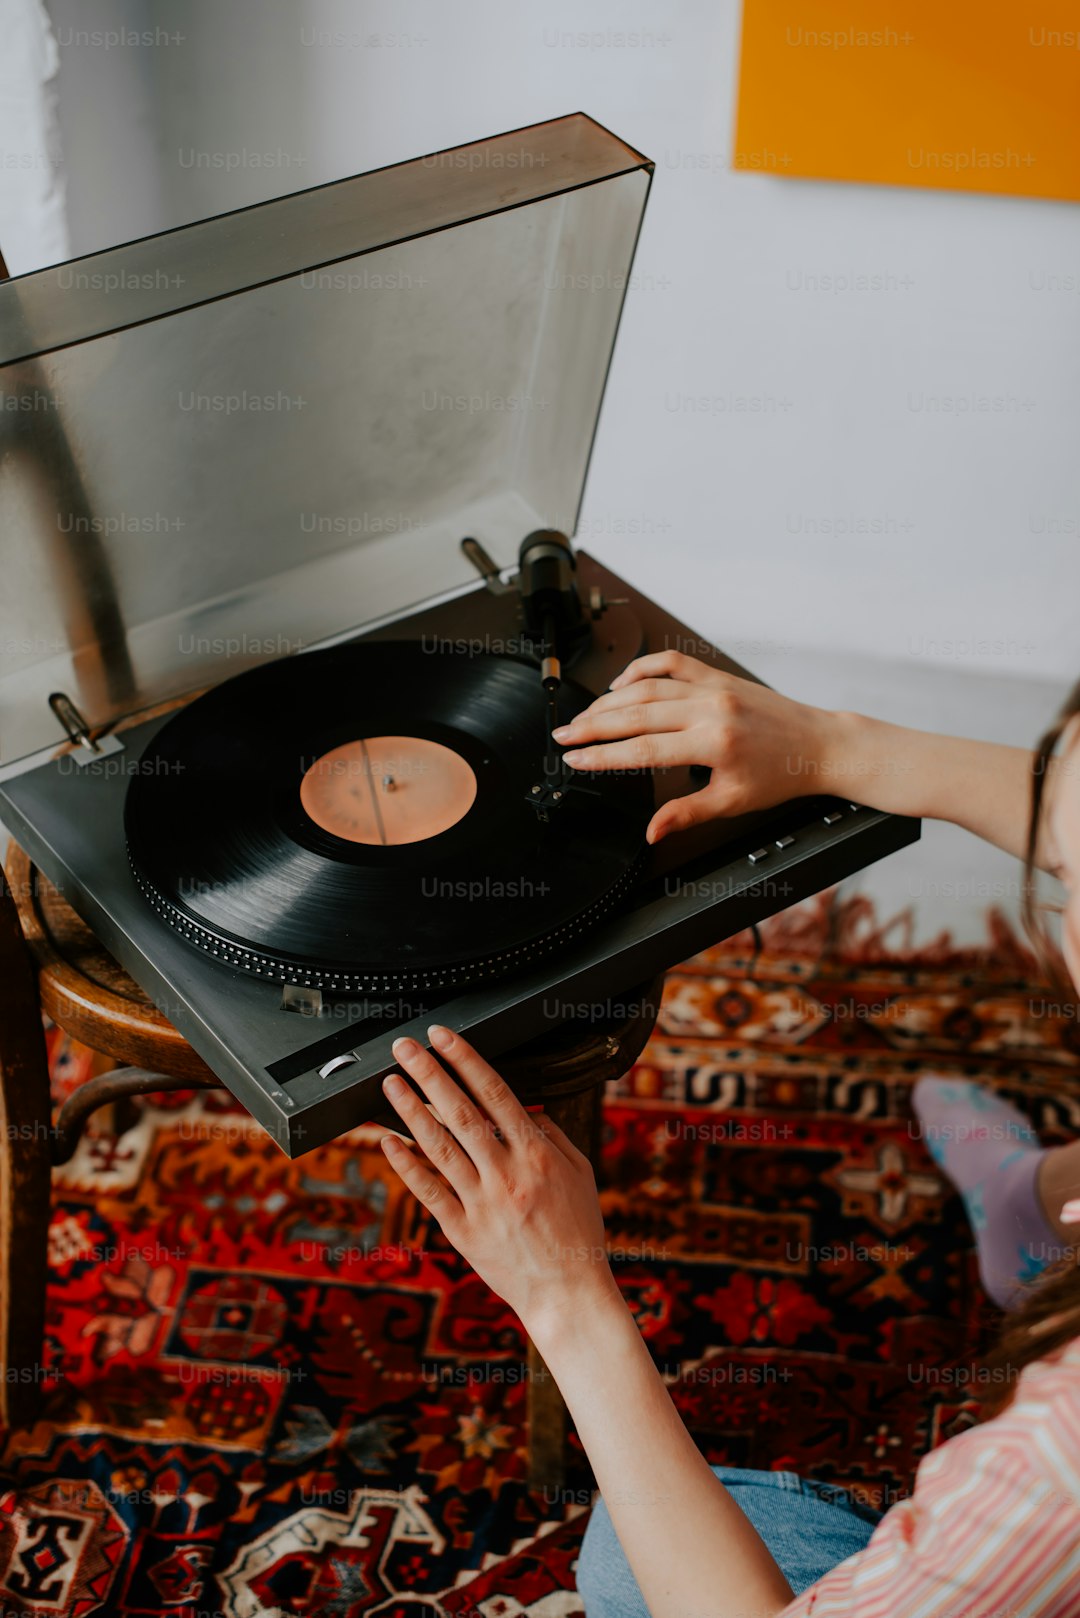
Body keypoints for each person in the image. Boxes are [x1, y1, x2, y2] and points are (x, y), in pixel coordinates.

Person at [378, 650, 1080, 1618]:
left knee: (632, 1552)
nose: (1060, 916)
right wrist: (839, 744)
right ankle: (1033, 1216)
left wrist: (564, 1292)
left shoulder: (1054, 1467)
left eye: (1072, 881)